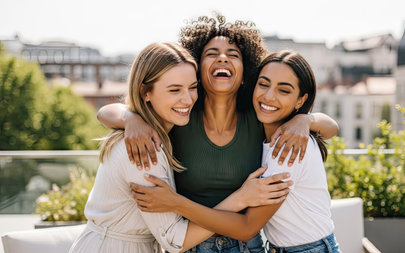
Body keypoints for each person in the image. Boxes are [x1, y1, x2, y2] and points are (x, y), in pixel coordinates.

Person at [98, 15, 339, 253]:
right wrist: (131, 118)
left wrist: (304, 120)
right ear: (196, 68)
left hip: (247, 246)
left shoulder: (260, 118)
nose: (222, 58)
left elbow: (331, 128)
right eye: (211, 54)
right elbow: (105, 113)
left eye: (233, 55)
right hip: (190, 245)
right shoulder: (180, 116)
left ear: (246, 71)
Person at [69, 42, 291, 253]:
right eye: (175, 90)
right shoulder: (144, 148)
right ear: (145, 92)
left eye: (192, 87)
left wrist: (305, 121)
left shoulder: (162, 133)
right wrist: (240, 198)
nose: (187, 99)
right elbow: (175, 240)